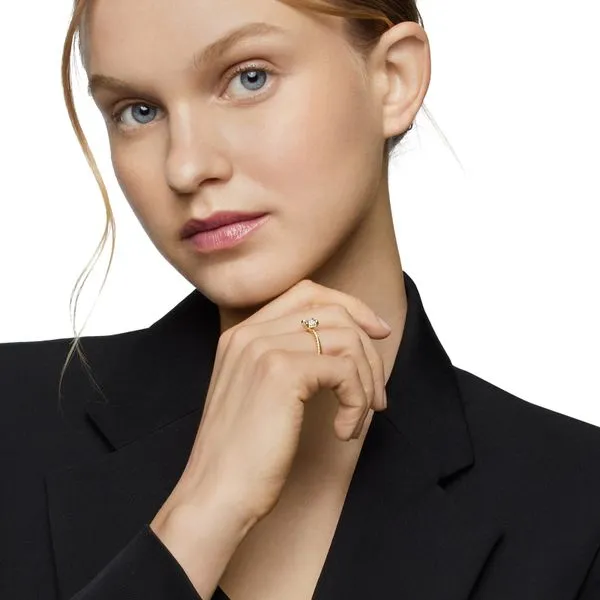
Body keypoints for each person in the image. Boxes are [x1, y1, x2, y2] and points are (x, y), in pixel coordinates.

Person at [1, 0, 600, 599]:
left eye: (249, 78)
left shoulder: (576, 504)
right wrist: (201, 516)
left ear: (394, 78)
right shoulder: (13, 423)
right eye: (138, 111)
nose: (186, 166)